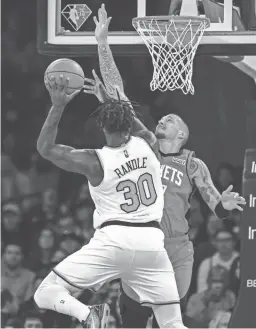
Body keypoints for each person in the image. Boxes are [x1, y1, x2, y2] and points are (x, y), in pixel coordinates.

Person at [82, 4, 246, 327]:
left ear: (182, 134)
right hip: (143, 244)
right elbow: (119, 97)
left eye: (171, 119)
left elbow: (213, 200)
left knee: (167, 318)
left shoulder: (192, 164)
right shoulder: (148, 146)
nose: (164, 119)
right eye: (164, 117)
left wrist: (224, 205)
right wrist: (103, 43)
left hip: (177, 250)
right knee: (132, 317)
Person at [34, 71, 187, 328]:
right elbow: (137, 125)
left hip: (113, 242)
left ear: (101, 127)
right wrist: (109, 101)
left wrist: (58, 106)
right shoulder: (148, 143)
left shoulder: (94, 161)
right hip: (151, 244)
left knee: (46, 292)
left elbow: (45, 149)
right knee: (173, 324)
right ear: (129, 124)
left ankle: (89, 316)